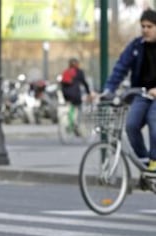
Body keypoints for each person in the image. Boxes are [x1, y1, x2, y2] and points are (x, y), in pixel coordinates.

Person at [102, 9, 156, 170]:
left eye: (150, 26)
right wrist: (108, 89)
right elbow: (121, 67)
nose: (145, 30)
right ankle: (145, 162)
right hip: (141, 94)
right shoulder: (136, 46)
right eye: (143, 26)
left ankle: (154, 162)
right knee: (131, 125)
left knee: (154, 122)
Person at [60, 58, 92, 134]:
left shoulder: (66, 72)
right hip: (75, 94)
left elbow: (62, 84)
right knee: (80, 108)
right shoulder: (79, 72)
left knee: (71, 107)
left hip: (66, 94)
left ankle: (71, 123)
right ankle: (77, 124)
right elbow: (84, 83)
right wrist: (88, 93)